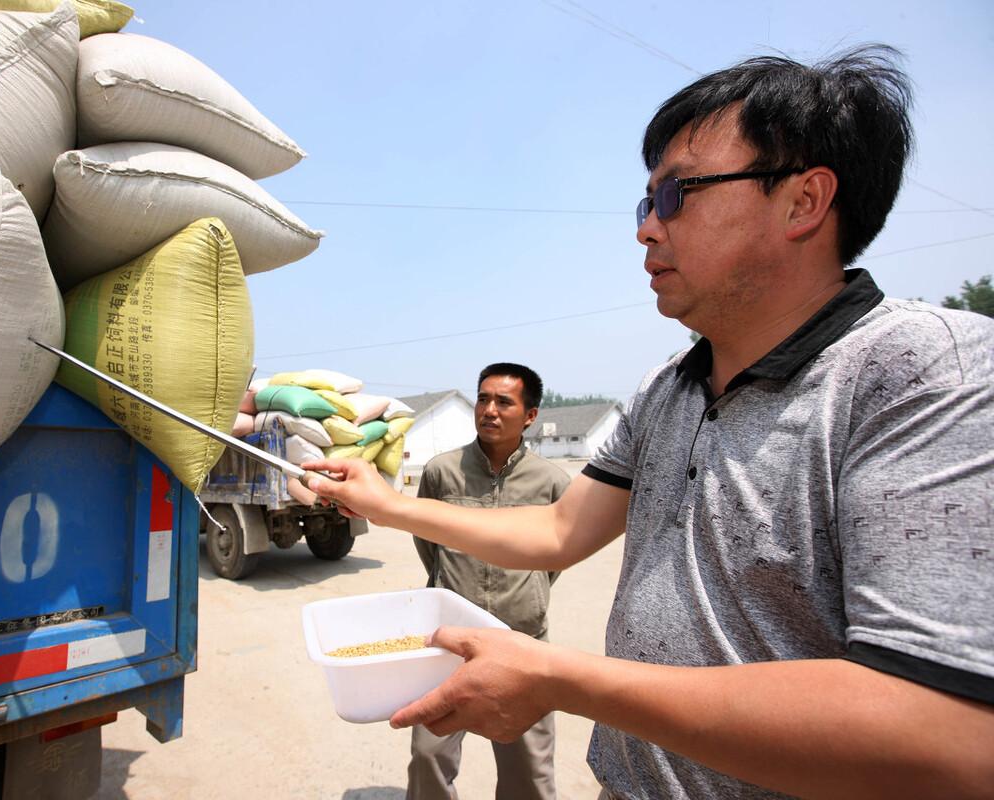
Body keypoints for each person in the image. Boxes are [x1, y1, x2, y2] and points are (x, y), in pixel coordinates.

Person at [305, 45, 994, 799]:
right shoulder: (668, 386)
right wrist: (387, 503)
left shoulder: (926, 373)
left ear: (804, 201)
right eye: (647, 202)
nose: (646, 230)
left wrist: (558, 677)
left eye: (678, 195)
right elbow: (560, 533)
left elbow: (946, 734)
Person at [408, 362, 570, 800]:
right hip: (449, 645)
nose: (489, 410)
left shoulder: (553, 482)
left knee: (529, 772)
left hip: (523, 642)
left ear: (531, 415)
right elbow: (428, 543)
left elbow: (554, 557)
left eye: (504, 402)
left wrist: (528, 597)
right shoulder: (442, 472)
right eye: (483, 399)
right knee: (428, 757)